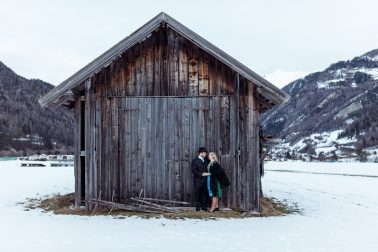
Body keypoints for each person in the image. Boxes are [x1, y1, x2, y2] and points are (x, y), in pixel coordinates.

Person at [191, 147, 210, 211]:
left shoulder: (206, 160)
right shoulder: (195, 161)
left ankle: (204, 206)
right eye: (204, 153)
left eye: (205, 153)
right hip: (198, 180)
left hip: (205, 180)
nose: (205, 154)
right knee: (198, 193)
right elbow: (194, 170)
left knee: (205, 193)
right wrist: (201, 174)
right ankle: (197, 207)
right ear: (200, 153)